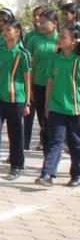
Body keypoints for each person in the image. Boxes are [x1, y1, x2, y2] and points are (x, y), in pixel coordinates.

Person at [0, 19, 32, 180]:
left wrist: (27, 102)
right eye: (4, 29)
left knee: (16, 134)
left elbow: (27, 79)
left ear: (17, 33)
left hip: (16, 99)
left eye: (9, 29)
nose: (5, 31)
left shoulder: (23, 54)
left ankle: (16, 167)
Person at [35, 26, 80, 187]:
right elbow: (50, 83)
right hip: (56, 108)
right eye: (59, 36)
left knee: (76, 143)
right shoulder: (55, 59)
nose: (59, 39)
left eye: (64, 37)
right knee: (55, 141)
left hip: (75, 109)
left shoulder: (77, 60)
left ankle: (76, 174)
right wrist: (47, 106)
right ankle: (47, 174)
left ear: (74, 41)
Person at [26, 8, 59, 151]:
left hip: (58, 88)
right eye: (41, 22)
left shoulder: (62, 40)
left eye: (45, 23)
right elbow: (30, 66)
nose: (41, 25)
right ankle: (48, 151)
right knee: (43, 120)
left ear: (55, 23)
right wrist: (31, 87)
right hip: (39, 85)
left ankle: (53, 150)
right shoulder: (35, 40)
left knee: (55, 121)